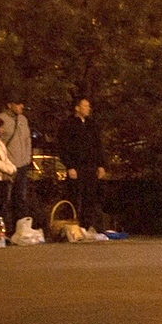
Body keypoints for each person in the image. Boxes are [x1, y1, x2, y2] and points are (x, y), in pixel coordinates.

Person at [58, 97, 105, 231]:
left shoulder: (92, 125)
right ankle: (73, 225)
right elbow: (63, 147)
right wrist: (69, 166)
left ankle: (87, 225)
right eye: (85, 106)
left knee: (90, 197)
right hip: (76, 166)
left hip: (90, 166)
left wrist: (101, 164)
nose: (88, 109)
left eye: (88, 106)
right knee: (74, 196)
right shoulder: (68, 124)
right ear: (77, 108)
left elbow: (98, 145)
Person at [0, 98, 33, 226]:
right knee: (5, 199)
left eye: (22, 103)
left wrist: (27, 158)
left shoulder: (23, 119)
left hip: (22, 165)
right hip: (8, 166)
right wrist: (3, 163)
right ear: (9, 105)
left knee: (21, 199)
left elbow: (27, 139)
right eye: (18, 104)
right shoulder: (0, 119)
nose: (21, 106)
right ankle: (3, 228)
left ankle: (20, 228)